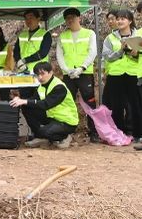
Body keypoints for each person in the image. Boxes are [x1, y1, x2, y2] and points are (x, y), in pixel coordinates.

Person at [9, 62, 77, 149]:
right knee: (27, 106)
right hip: (52, 117)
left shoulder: (59, 87)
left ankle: (64, 137)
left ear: (51, 72)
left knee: (45, 132)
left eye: (42, 74)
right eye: (37, 75)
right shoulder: (41, 87)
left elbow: (46, 104)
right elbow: (33, 100)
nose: (40, 77)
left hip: (66, 121)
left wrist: (25, 101)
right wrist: (19, 100)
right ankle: (41, 137)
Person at [56, 8, 99, 142]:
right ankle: (68, 131)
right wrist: (66, 69)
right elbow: (59, 55)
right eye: (67, 18)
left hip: (85, 73)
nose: (70, 20)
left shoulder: (89, 33)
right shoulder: (63, 36)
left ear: (79, 18)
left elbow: (92, 52)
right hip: (68, 75)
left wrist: (82, 67)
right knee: (67, 102)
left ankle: (94, 132)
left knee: (90, 102)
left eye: (72, 17)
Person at [102, 9, 142, 141]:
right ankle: (118, 133)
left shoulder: (138, 36)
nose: (119, 21)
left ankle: (137, 134)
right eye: (118, 19)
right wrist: (120, 51)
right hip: (115, 75)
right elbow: (107, 56)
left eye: (123, 19)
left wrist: (135, 54)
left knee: (135, 105)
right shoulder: (110, 38)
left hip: (133, 74)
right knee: (116, 106)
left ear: (130, 21)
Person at [14, 10, 52, 93]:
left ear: (38, 19)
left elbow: (42, 53)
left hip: (40, 72)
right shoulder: (22, 35)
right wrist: (19, 62)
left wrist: (25, 60)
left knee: (39, 97)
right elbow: (16, 51)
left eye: (31, 18)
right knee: (24, 97)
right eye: (26, 18)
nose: (28, 20)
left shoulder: (45, 34)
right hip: (23, 72)